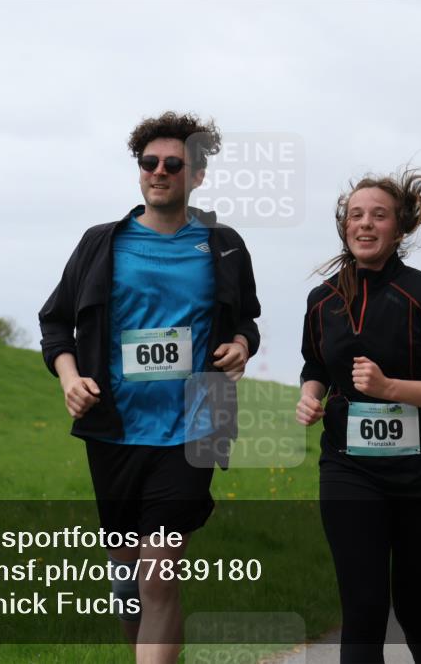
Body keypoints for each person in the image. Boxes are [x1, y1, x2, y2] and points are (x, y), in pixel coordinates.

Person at [38, 112, 260, 662]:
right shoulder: (101, 244)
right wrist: (70, 379)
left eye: (173, 164)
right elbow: (54, 322)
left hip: (195, 424)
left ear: (198, 176)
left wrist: (241, 345)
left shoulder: (223, 245)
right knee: (128, 582)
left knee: (159, 573)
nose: (159, 172)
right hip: (114, 428)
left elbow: (246, 319)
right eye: (149, 163)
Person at [297, 169, 421, 663]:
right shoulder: (322, 301)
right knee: (363, 606)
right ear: (344, 227)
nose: (365, 224)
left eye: (378, 215)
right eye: (355, 215)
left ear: (399, 228)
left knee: (417, 608)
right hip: (349, 469)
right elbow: (316, 363)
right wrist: (310, 396)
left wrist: (389, 388)